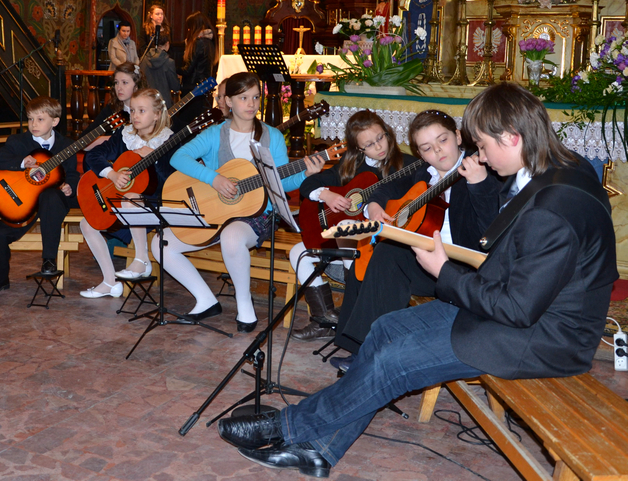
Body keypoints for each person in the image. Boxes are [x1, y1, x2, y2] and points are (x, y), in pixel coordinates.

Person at [217, 83, 617, 478]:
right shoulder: (553, 167)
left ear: (511, 138)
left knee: (394, 362)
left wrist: (443, 272)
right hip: (507, 307)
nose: (480, 155)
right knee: (386, 328)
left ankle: (288, 427)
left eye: (482, 145)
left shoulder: (556, 205)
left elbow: (517, 308)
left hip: (540, 337)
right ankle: (321, 449)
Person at [151, 72, 325, 332]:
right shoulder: (214, 134)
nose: (251, 103)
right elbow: (178, 157)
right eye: (243, 97)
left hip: (257, 215)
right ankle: (206, 300)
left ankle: (245, 306)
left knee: (232, 236)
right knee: (161, 243)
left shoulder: (272, 136)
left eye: (255, 97)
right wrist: (213, 179)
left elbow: (281, 182)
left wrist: (304, 174)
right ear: (229, 101)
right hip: (214, 211)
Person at [329, 109, 500, 372]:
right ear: (420, 154)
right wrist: (374, 205)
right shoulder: (423, 172)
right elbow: (387, 188)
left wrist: (479, 185)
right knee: (374, 253)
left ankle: (367, 351)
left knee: (389, 255)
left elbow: (490, 236)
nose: (438, 152)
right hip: (426, 261)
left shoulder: (484, 172)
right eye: (427, 148)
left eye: (442, 140)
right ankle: (360, 347)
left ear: (457, 136)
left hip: (461, 269)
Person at [288, 110, 417, 341]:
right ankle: (324, 320)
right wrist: (326, 195)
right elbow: (310, 183)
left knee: (348, 225)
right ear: (359, 148)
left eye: (381, 137)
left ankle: (353, 313)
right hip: (350, 245)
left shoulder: (407, 164)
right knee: (298, 252)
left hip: (380, 246)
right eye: (369, 144)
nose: (379, 146)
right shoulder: (351, 164)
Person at [79, 89, 175, 298]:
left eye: (142, 110)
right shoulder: (125, 136)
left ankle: (142, 260)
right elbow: (93, 156)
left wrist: (155, 159)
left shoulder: (168, 141)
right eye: (132, 110)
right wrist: (112, 174)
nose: (135, 116)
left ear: (157, 114)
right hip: (122, 201)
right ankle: (110, 282)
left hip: (154, 204)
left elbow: (172, 179)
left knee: (131, 199)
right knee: (86, 223)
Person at [0, 97, 79, 295]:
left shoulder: (67, 146)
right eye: (30, 119)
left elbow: (73, 173)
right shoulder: (18, 142)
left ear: (55, 121)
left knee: (50, 195)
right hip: (24, 201)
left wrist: (71, 186)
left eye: (40, 119)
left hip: (53, 202)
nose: (34, 124)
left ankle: (48, 260)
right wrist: (20, 162)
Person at [81, 62, 147, 151]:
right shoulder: (111, 110)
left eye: (124, 82)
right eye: (116, 82)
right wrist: (114, 139)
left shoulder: (148, 109)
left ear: (136, 86)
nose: (119, 87)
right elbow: (84, 142)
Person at [177, 11, 217, 128]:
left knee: (185, 123)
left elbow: (188, 70)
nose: (188, 30)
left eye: (189, 28)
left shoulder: (198, 43)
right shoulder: (210, 42)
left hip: (192, 88)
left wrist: (171, 67)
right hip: (202, 87)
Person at [140, 33, 180, 109]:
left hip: (146, 102)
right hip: (163, 103)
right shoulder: (169, 62)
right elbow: (175, 86)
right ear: (167, 44)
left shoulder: (143, 60)